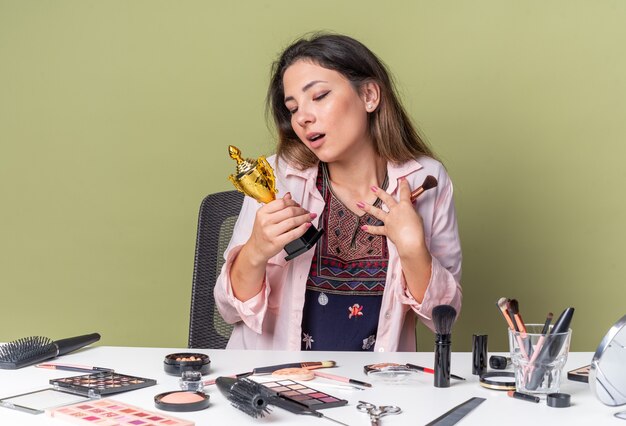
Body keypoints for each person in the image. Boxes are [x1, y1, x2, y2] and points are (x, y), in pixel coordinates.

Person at [214, 33, 462, 351]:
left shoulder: (425, 179)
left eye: (318, 96)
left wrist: (414, 251)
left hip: (376, 389)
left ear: (370, 95)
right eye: (293, 108)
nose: (303, 117)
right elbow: (229, 310)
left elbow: (445, 315)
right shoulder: (276, 177)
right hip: (275, 381)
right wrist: (256, 250)